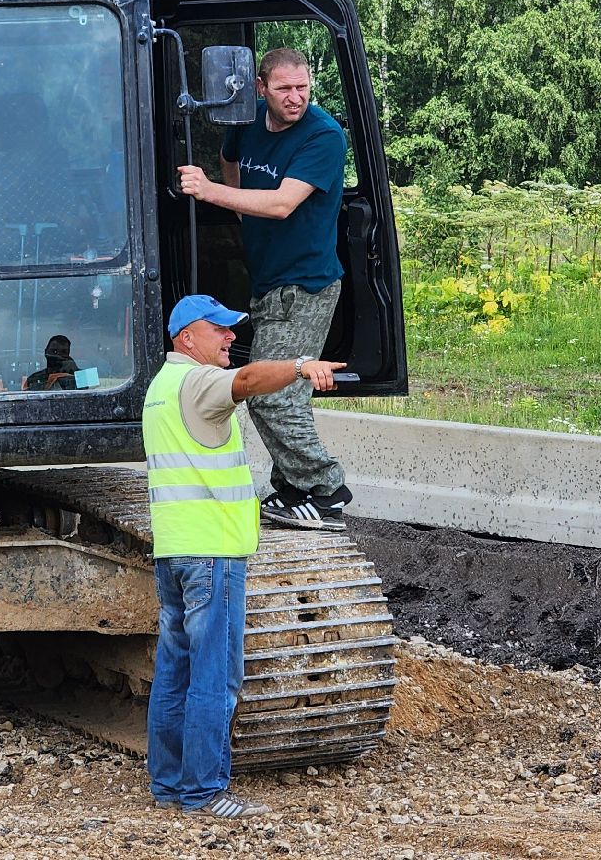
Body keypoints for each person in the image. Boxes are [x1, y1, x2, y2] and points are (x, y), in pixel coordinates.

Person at [144, 294, 343, 818]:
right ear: (187, 337)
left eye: (232, 330)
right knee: (215, 675)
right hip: (213, 553)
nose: (232, 337)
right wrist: (301, 367)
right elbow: (250, 382)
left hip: (175, 550)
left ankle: (168, 784)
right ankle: (205, 792)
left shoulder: (160, 388)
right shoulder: (199, 383)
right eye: (220, 330)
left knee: (175, 673)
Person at [176, 47, 352, 532]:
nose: (296, 98)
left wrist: (212, 192)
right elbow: (229, 158)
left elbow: (280, 205)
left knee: (270, 394)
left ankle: (327, 492)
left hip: (307, 285)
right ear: (260, 88)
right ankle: (292, 492)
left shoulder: (323, 135)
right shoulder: (247, 117)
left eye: (303, 87)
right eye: (284, 89)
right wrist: (235, 204)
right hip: (269, 280)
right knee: (284, 394)